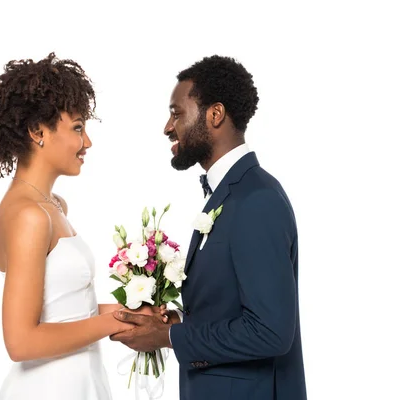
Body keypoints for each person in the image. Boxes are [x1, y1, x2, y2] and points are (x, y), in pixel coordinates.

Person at [110, 55, 307, 399]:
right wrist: (176, 325)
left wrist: (169, 337)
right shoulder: (231, 194)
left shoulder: (256, 199)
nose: (168, 127)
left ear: (215, 115)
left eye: (177, 113)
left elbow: (271, 331)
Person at [0, 52, 159, 400]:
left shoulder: (53, 206)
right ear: (37, 132)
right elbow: (20, 341)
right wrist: (116, 322)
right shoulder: (29, 216)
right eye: (77, 128)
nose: (87, 142)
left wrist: (136, 313)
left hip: (80, 382)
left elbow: (67, 309)